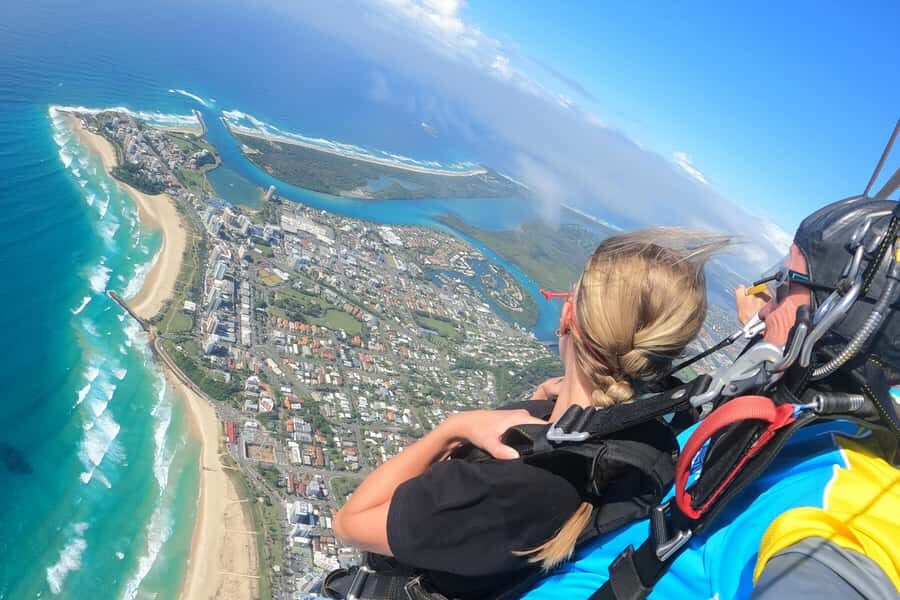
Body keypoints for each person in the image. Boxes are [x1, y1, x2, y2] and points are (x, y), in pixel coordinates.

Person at [521, 198, 900, 600]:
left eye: (784, 283)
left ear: (839, 317)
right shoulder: (807, 407)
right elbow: (784, 327)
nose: (768, 302)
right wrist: (766, 328)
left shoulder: (848, 503)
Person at [328, 228, 729, 600]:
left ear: (569, 317)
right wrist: (549, 412)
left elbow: (349, 523)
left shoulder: (507, 486)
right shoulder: (643, 441)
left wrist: (454, 429)